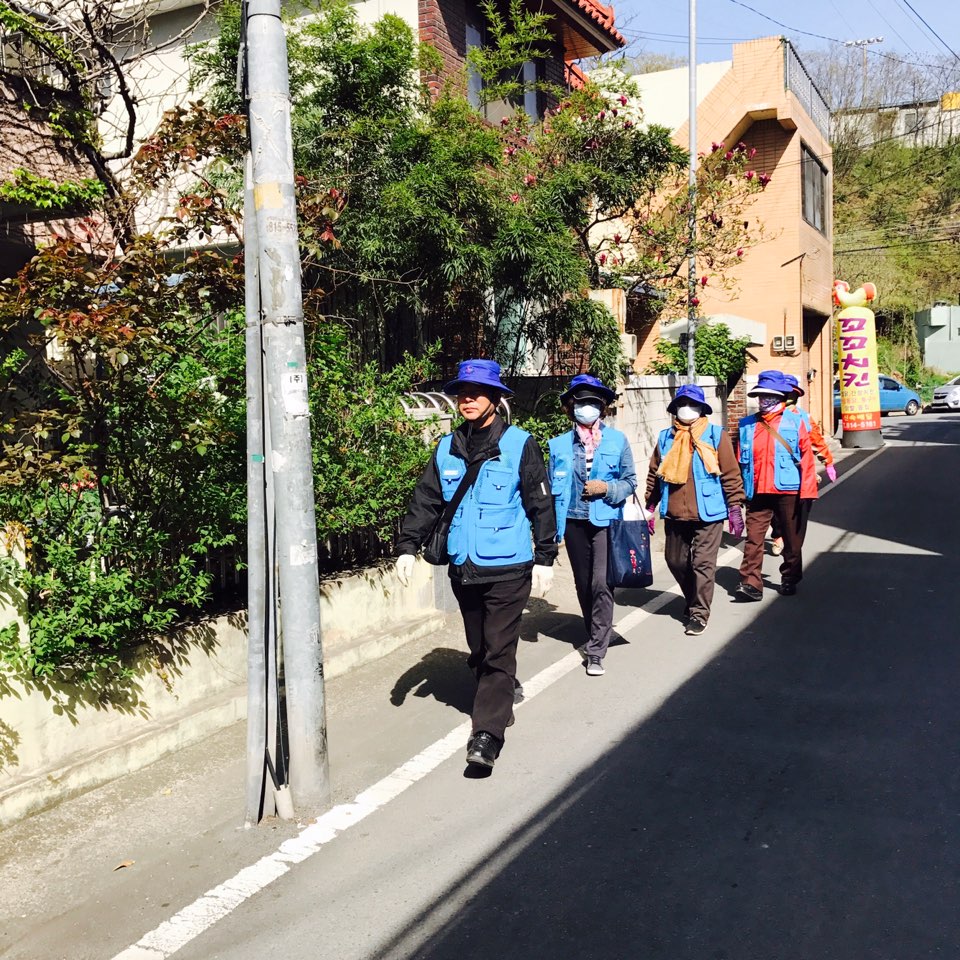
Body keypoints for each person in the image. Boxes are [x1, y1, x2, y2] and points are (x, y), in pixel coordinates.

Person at [395, 359, 557, 770]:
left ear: (496, 398)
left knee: (498, 650)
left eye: (477, 393)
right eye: (462, 393)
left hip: (509, 568)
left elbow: (540, 503)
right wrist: (407, 546)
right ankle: (498, 695)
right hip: (464, 567)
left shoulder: (520, 444)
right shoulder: (447, 447)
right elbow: (426, 500)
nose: (467, 399)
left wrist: (545, 557)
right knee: (480, 646)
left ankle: (487, 733)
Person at [547, 374, 636, 676]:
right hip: (572, 521)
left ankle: (596, 651)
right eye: (581, 402)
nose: (587, 408)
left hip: (605, 520)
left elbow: (630, 481)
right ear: (571, 407)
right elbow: (550, 489)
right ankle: (597, 630)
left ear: (602, 407)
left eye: (593, 403)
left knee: (601, 583)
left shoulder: (617, 440)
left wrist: (607, 489)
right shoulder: (557, 445)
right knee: (583, 584)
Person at [644, 383, 745, 636]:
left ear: (701, 409)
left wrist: (734, 507)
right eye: (682, 404)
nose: (686, 408)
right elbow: (655, 473)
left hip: (709, 511)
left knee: (702, 563)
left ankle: (699, 613)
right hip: (674, 512)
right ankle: (693, 599)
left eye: (692, 404)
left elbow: (731, 474)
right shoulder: (666, 437)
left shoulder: (715, 435)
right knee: (675, 561)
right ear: (675, 408)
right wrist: (650, 505)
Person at [735, 370, 819, 600]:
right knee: (754, 538)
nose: (764, 400)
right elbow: (739, 461)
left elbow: (807, 459)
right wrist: (737, 494)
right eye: (761, 395)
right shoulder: (746, 425)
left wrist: (808, 492)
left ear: (781, 396)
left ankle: (790, 577)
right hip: (757, 491)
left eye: (769, 395)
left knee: (791, 539)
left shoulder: (796, 422)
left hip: (788, 490)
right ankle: (751, 583)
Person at [768, 372, 836, 555]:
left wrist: (828, 462)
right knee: (775, 508)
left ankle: (793, 543)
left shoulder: (804, 417)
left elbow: (817, 441)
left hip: (801, 471)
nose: (789, 397)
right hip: (774, 470)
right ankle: (778, 535)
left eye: (792, 394)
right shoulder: (767, 418)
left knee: (800, 507)